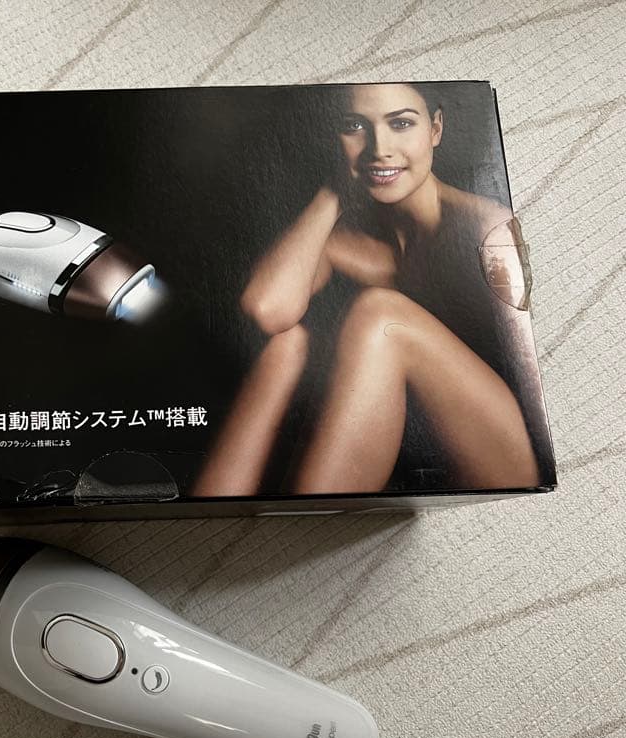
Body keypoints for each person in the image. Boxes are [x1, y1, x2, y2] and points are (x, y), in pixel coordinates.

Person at [194, 83, 539, 496]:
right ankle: (216, 510)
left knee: (381, 314)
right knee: (287, 343)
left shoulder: (486, 230)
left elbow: (531, 374)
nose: (380, 148)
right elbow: (267, 309)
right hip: (410, 446)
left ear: (436, 129)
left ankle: (312, 517)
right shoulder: (347, 240)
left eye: (401, 124)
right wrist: (335, 190)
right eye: (355, 126)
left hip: (504, 455)